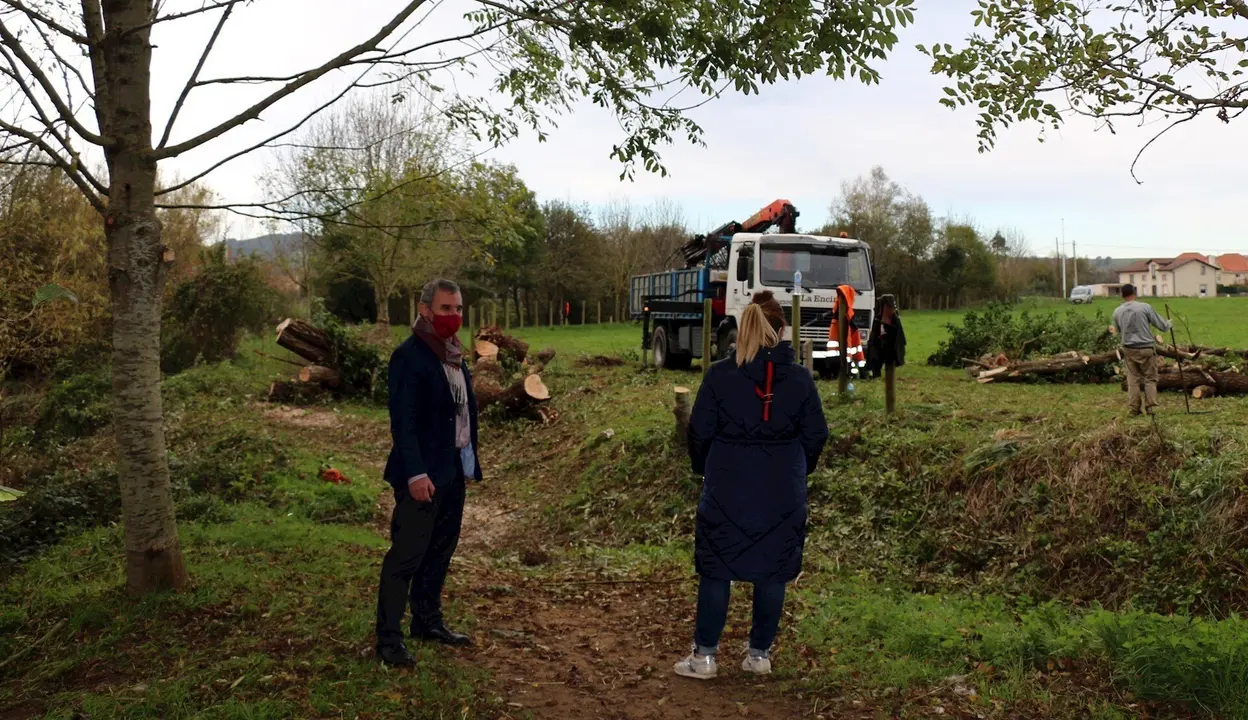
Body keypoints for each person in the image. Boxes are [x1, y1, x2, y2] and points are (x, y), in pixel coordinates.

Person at [675, 290, 830, 680]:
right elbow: (817, 434)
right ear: (781, 330)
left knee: (716, 568)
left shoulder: (719, 375)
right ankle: (759, 654)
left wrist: (705, 468)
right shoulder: (799, 380)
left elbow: (700, 431)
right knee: (773, 569)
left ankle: (704, 658)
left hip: (727, 485)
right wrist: (798, 471)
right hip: (783, 490)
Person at [375, 278, 483, 667]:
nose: (454, 317)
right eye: (445, 309)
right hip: (421, 476)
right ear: (425, 310)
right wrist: (416, 474)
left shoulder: (454, 354)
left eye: (458, 309)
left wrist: (468, 462)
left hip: (452, 471)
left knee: (440, 552)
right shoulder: (410, 356)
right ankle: (388, 640)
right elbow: (403, 422)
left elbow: (462, 413)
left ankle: (427, 621)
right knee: (406, 557)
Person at [1111, 283, 1172, 417]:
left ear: (1122, 296)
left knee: (1133, 380)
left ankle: (1134, 409)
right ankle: (1151, 407)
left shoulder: (1117, 311)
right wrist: (1169, 324)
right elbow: (1162, 325)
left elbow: (1118, 331)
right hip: (1146, 348)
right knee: (1150, 379)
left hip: (1129, 349)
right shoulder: (1145, 307)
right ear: (1135, 293)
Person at [827, 285, 866, 378]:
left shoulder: (846, 319)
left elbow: (856, 345)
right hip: (837, 361)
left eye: (842, 296)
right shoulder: (841, 317)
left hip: (841, 362)